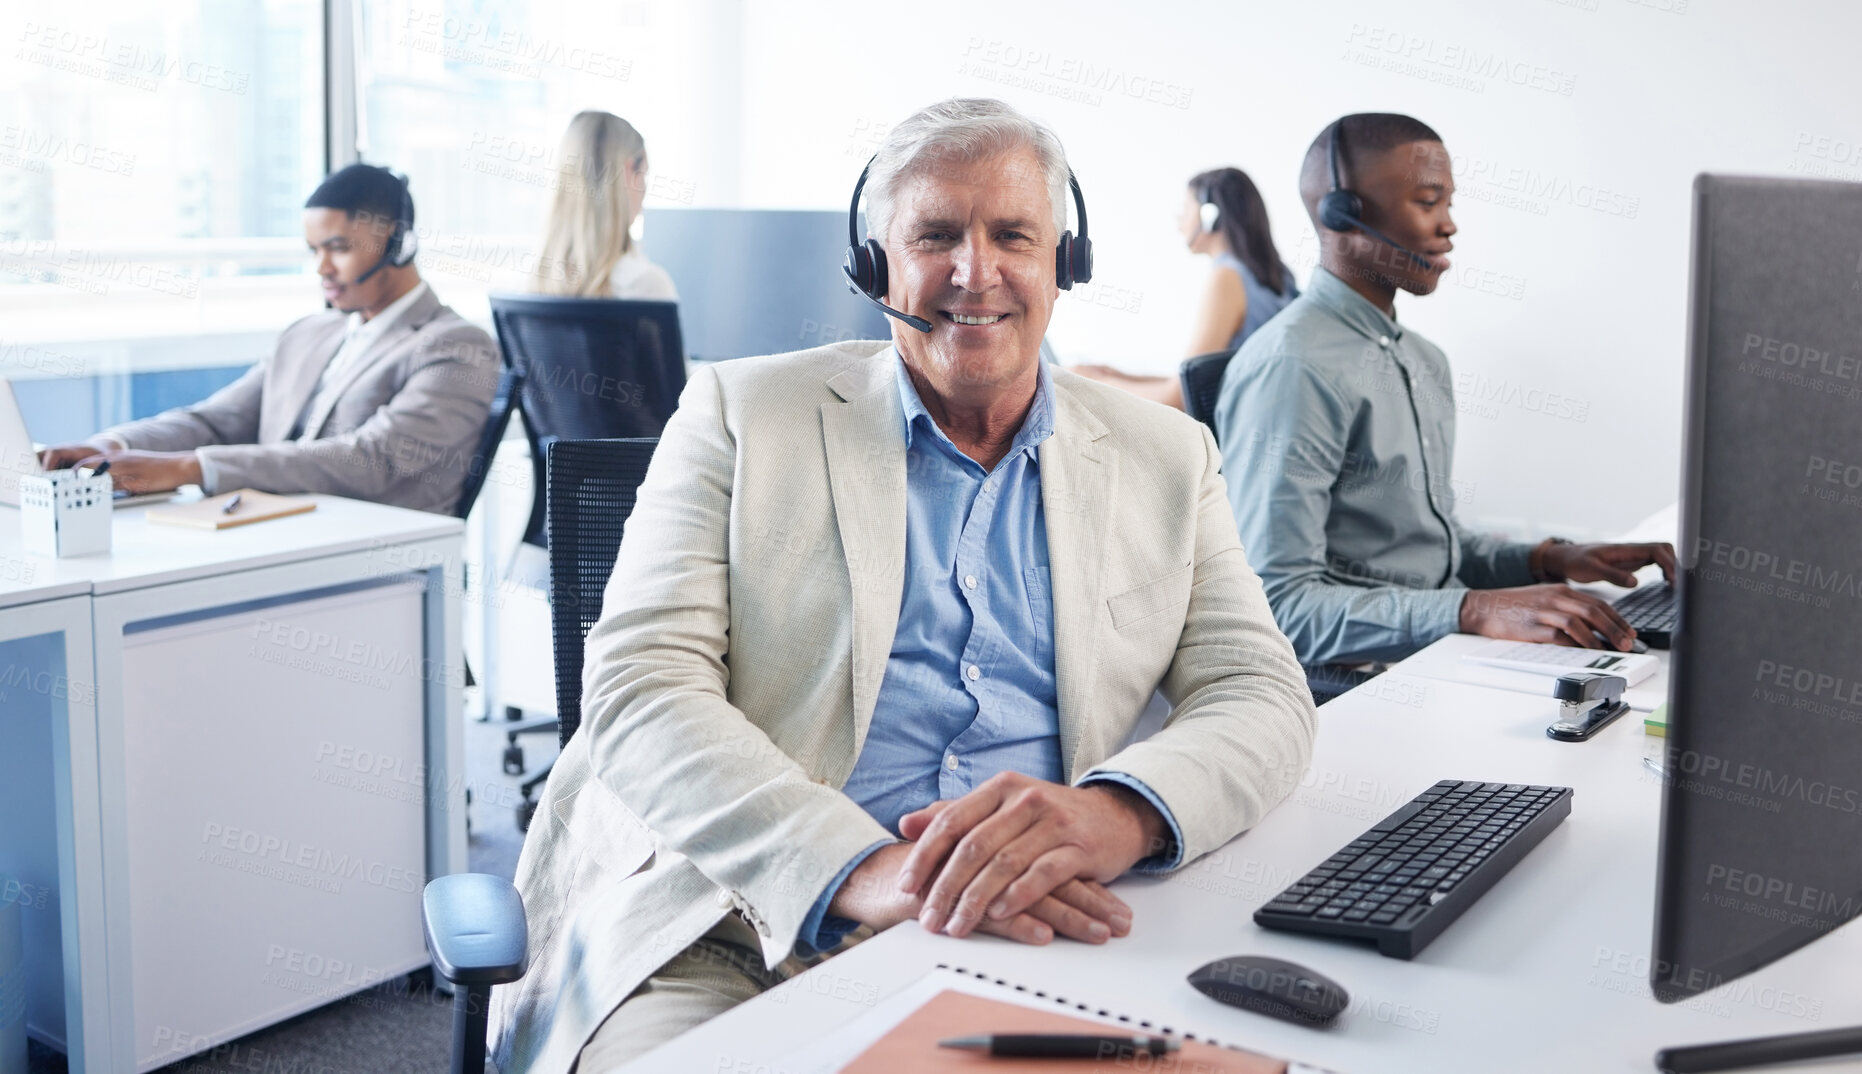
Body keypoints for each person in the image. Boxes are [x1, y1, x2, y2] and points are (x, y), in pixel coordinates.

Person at [488, 98, 1316, 1072]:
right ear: (872, 266)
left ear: (1064, 262)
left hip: (1032, 933)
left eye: (1013, 234)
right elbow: (637, 688)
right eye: (934, 236)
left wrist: (1117, 814)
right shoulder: (743, 415)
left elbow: (1259, 691)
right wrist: (861, 865)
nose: (976, 272)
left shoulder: (1167, 456)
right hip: (732, 928)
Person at [1213, 113, 1674, 695]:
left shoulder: (1421, 359)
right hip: (1346, 687)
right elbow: (1279, 608)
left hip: (1429, 657)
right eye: (1428, 202)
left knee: (1630, 696)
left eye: (1448, 203)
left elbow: (1425, 552)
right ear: (1343, 213)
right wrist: (1474, 609)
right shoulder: (1293, 367)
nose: (1449, 226)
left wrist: (1549, 560)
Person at [37, 164, 499, 516]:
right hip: (276, 534)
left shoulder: (456, 346)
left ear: (398, 244)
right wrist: (111, 448)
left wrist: (188, 468)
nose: (322, 269)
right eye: (314, 251)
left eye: (338, 248)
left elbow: (372, 460)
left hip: (374, 562)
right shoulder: (310, 333)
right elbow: (216, 421)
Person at [1070, 166, 1297, 409]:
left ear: (1211, 217)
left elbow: (1180, 398)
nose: (1180, 220)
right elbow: (1197, 380)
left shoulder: (1228, 278)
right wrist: (1115, 376)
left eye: (1187, 209)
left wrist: (1090, 381)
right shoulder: (1278, 276)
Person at [530, 110, 677, 300]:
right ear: (628, 172)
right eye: (643, 175)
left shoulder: (530, 284)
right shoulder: (647, 286)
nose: (645, 190)